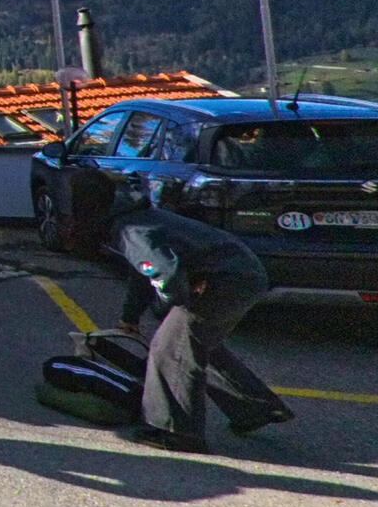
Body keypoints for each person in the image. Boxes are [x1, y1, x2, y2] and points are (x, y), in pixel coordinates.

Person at [106, 182, 294, 453]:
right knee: (196, 343)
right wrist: (130, 316)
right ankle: (255, 408)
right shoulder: (139, 217)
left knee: (170, 348)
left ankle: (177, 432)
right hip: (244, 272)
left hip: (227, 280)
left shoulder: (130, 230)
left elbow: (166, 276)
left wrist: (166, 307)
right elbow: (142, 275)